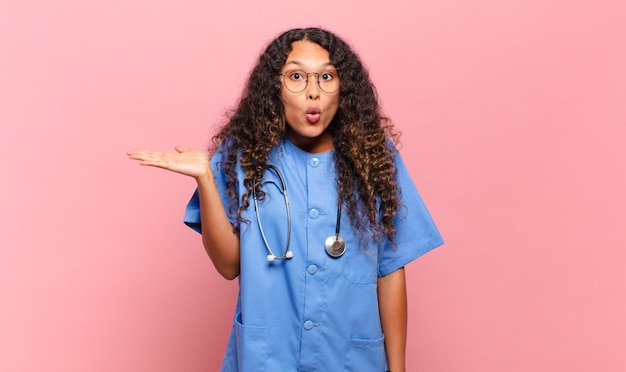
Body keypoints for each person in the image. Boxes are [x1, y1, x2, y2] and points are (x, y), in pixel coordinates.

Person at [127, 27, 443, 372]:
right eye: (296, 76)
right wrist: (205, 177)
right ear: (274, 88)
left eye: (326, 77)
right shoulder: (243, 154)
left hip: (350, 358)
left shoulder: (375, 157)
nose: (313, 92)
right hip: (268, 357)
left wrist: (398, 369)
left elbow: (391, 270)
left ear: (344, 88)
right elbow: (229, 265)